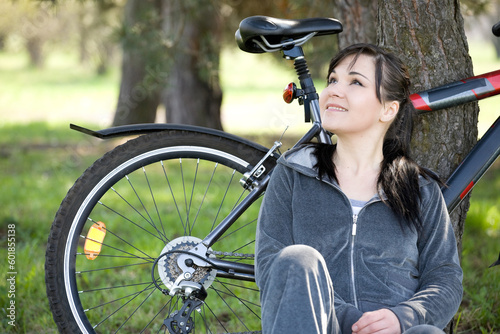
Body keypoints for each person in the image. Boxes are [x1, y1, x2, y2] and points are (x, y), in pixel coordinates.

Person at [255, 43, 463, 334]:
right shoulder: (294, 172)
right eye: (333, 80)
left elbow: (445, 277)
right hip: (316, 325)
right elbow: (270, 266)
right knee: (296, 258)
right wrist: (349, 319)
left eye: (355, 82)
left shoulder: (420, 188)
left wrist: (404, 317)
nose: (334, 91)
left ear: (388, 109)